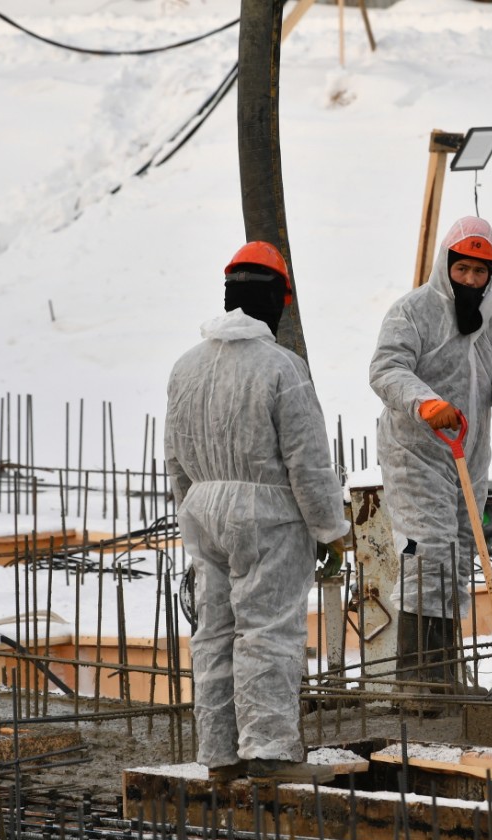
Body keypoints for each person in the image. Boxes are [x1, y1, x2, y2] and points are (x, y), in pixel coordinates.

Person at [165, 241, 350, 783]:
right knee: (268, 631)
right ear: (279, 301)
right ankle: (268, 753)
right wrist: (331, 530)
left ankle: (220, 756)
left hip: (204, 509)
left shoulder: (185, 367)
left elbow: (174, 455)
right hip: (268, 515)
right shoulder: (282, 368)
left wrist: (192, 511)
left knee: (215, 631)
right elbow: (309, 464)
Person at [369, 216, 492, 691]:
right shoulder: (412, 311)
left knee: (458, 555)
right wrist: (426, 402)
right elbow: (385, 368)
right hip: (416, 453)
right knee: (429, 553)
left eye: (480, 272)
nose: (471, 281)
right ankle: (417, 681)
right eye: (463, 270)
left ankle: (446, 677)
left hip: (468, 454)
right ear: (447, 264)